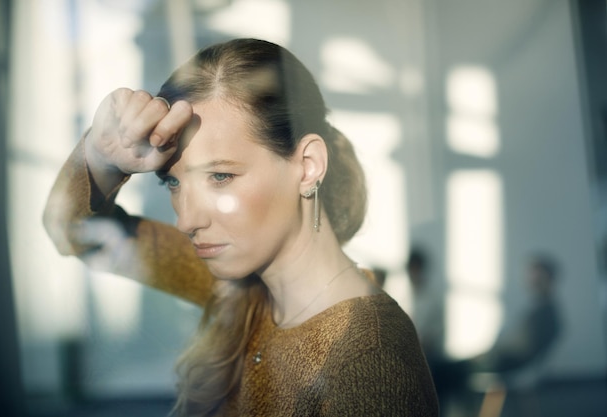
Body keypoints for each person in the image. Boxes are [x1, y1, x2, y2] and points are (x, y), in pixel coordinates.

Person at [43, 38, 438, 416]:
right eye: (173, 182)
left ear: (308, 166)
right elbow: (75, 233)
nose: (186, 220)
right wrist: (101, 156)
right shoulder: (239, 291)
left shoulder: (371, 360)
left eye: (220, 177)